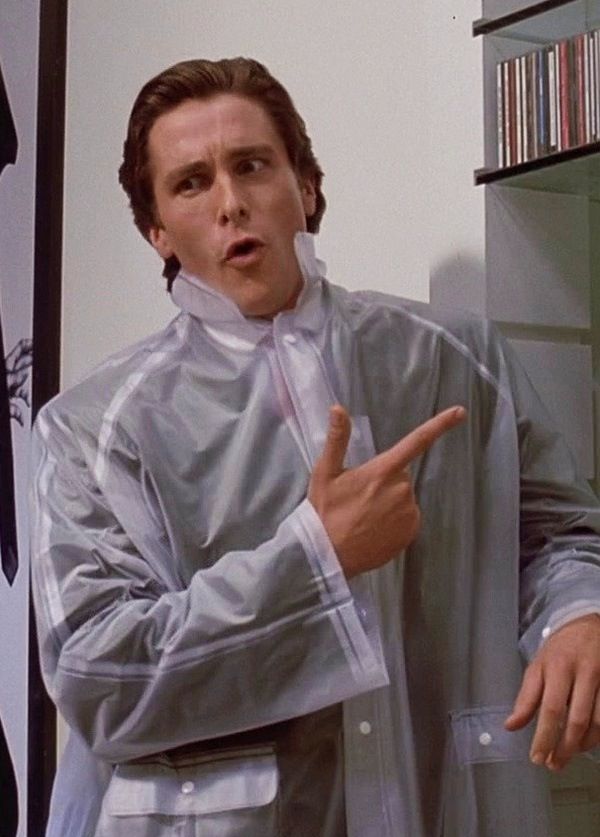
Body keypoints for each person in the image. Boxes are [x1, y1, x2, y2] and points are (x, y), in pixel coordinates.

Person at [30, 57, 600, 837]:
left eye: (252, 165)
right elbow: (100, 677)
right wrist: (314, 559)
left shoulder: (453, 357)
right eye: (191, 183)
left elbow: (560, 535)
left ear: (304, 184)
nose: (231, 202)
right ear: (156, 229)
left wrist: (579, 613)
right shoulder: (93, 428)